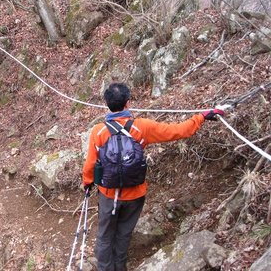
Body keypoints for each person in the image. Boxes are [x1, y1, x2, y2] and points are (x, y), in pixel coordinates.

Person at [82, 83, 224, 271]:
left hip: (109, 195)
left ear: (107, 103)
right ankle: (120, 266)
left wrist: (87, 183)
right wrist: (202, 117)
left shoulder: (98, 131)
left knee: (105, 236)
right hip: (135, 194)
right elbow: (179, 131)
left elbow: (90, 165)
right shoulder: (142, 127)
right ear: (128, 102)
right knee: (124, 234)